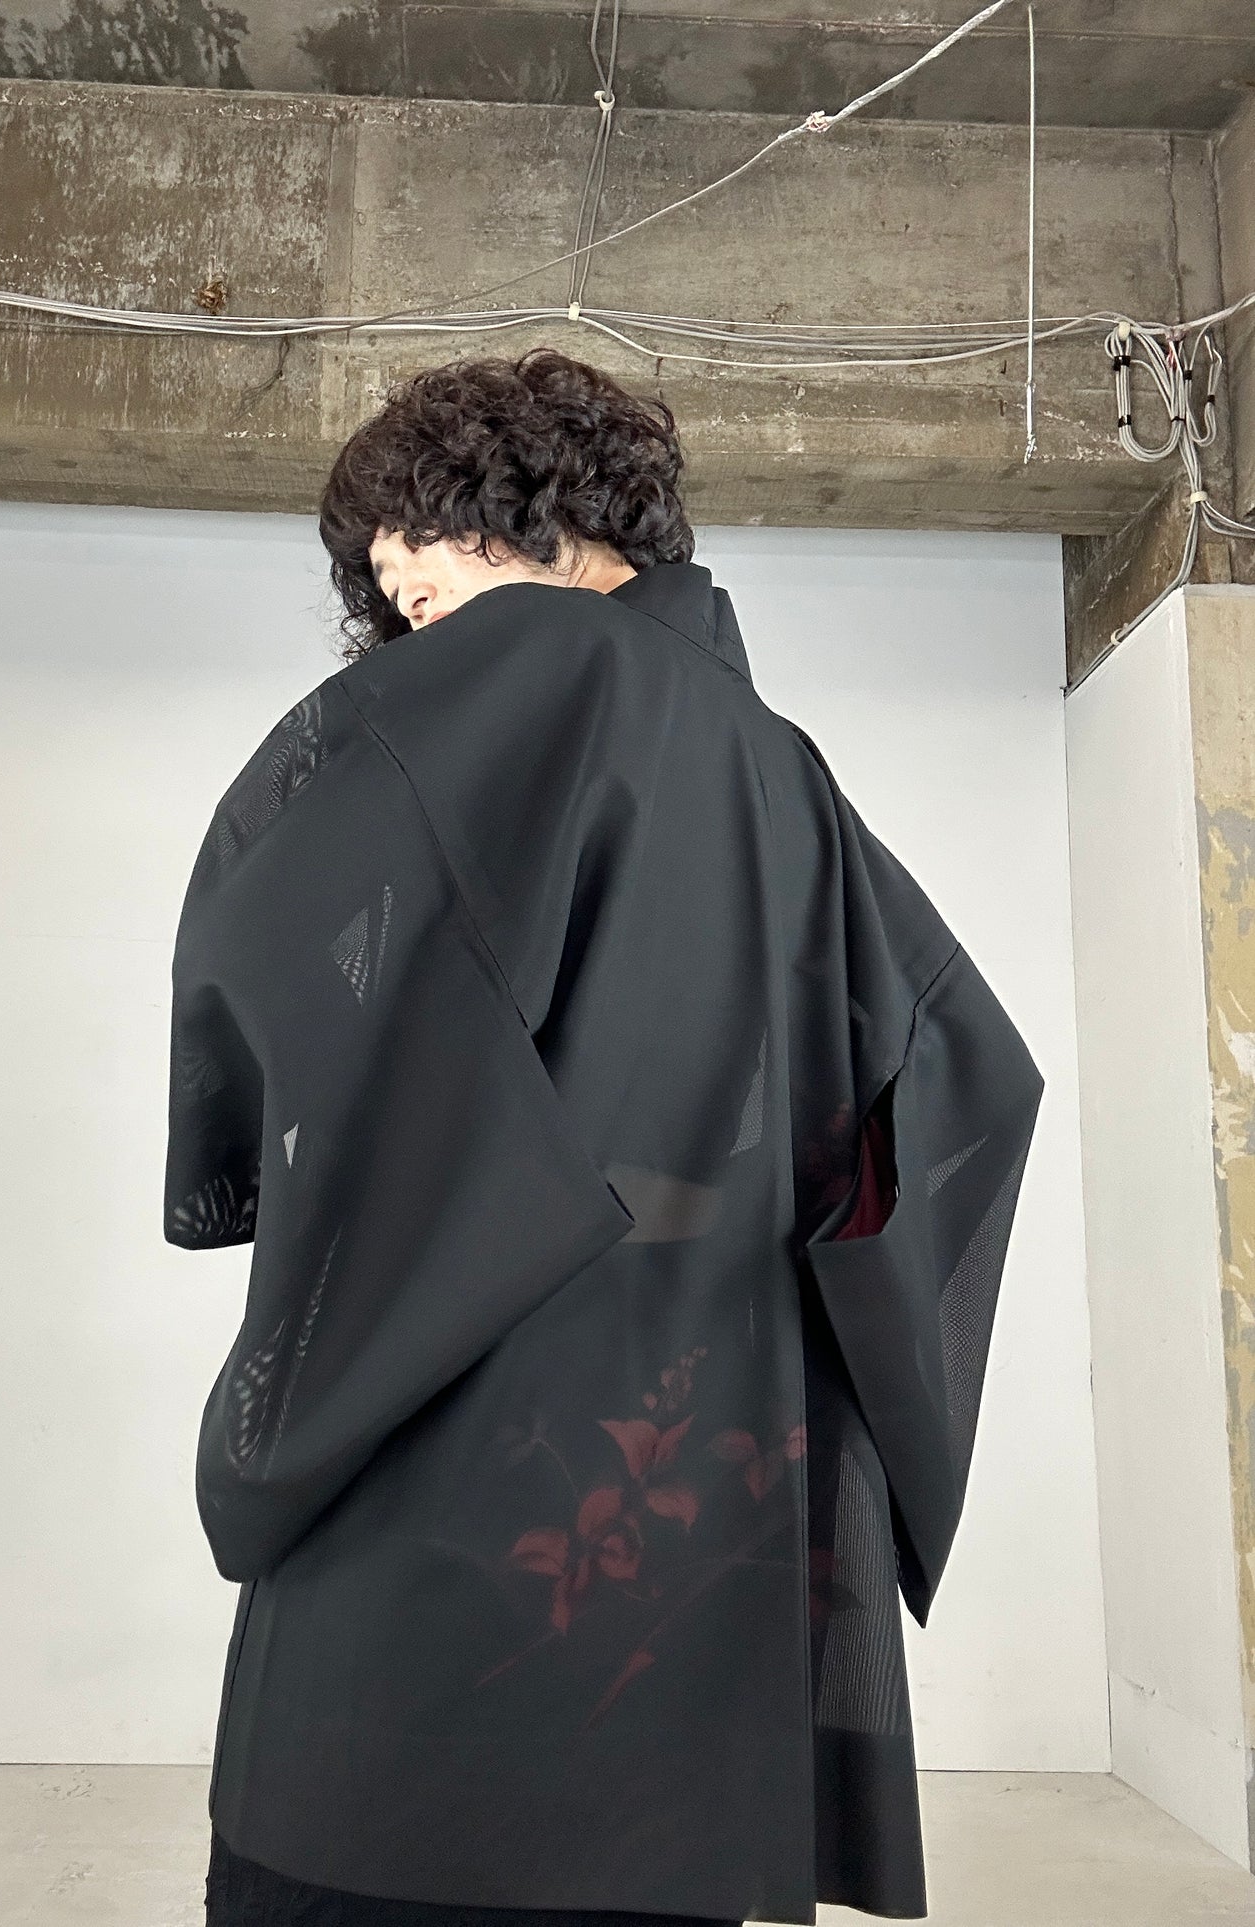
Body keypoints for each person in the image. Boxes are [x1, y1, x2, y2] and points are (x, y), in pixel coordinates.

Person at [165, 348, 1044, 1927]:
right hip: (699, 1480)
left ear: (529, 518)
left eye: (419, 586)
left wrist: (374, 1151)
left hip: (475, 1436)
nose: (408, 633)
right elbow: (960, 1065)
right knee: (642, 1867)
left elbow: (275, 897)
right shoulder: (779, 766)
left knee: (359, 1847)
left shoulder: (552, 666)